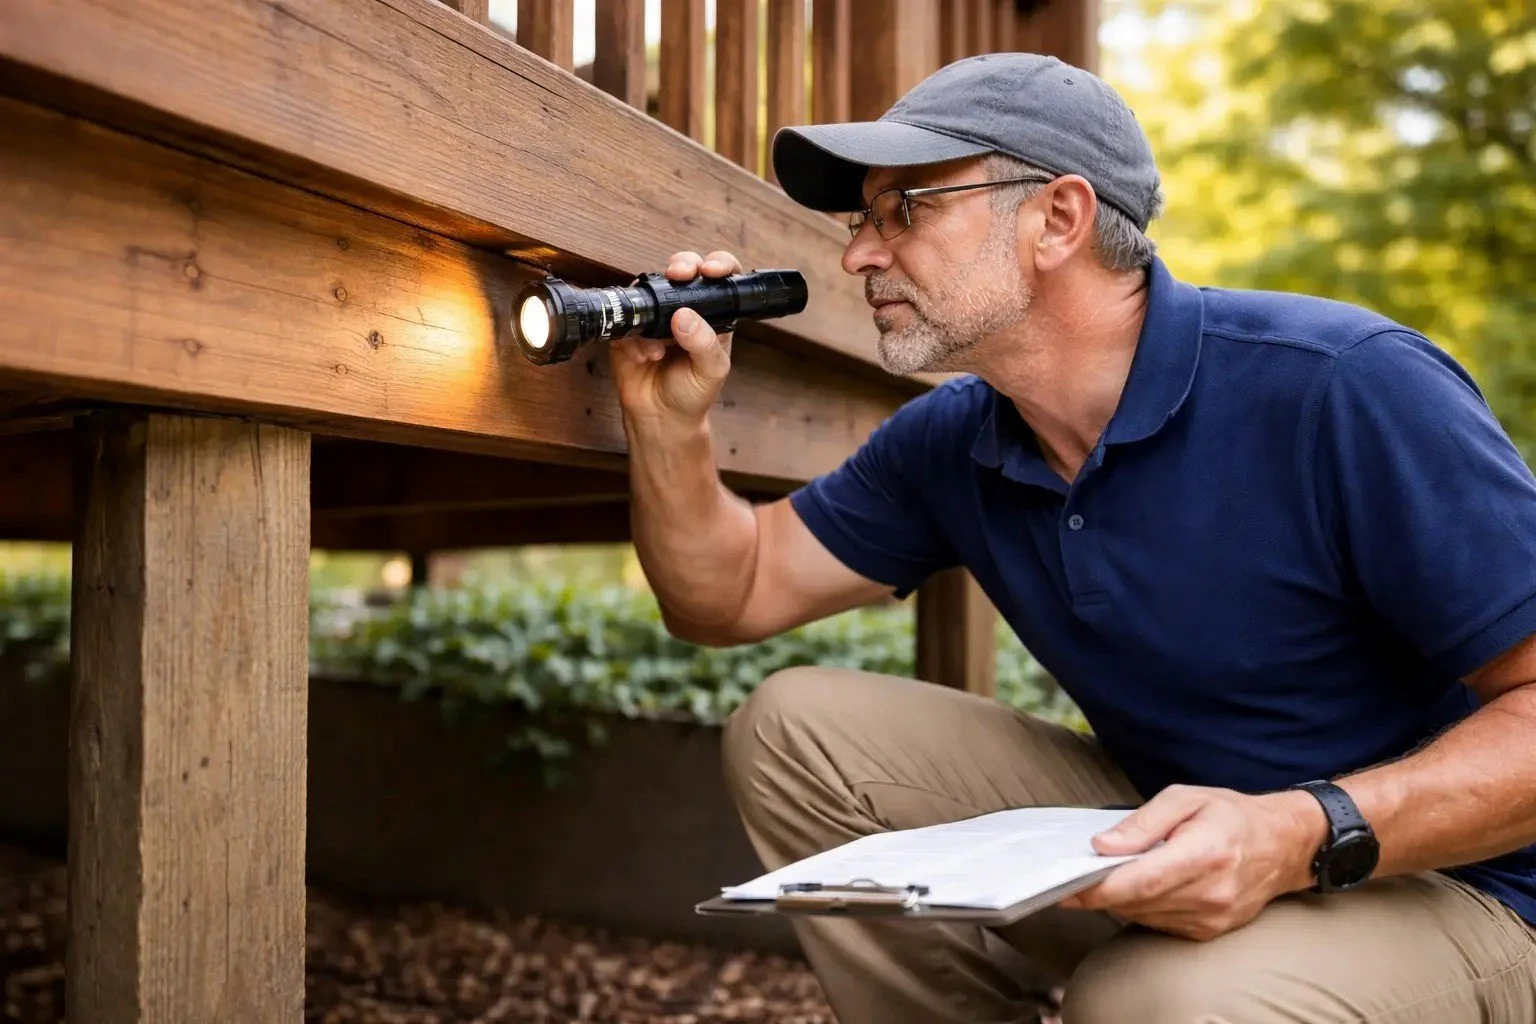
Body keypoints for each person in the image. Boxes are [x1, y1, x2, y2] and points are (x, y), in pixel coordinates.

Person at [608, 52, 1536, 1023]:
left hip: (1470, 894)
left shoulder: (1341, 386)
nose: (859, 256)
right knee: (796, 732)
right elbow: (727, 592)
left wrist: (1301, 831)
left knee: (1146, 999)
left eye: (906, 211)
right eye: (862, 219)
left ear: (1059, 217)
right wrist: (670, 426)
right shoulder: (958, 439)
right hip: (1185, 830)